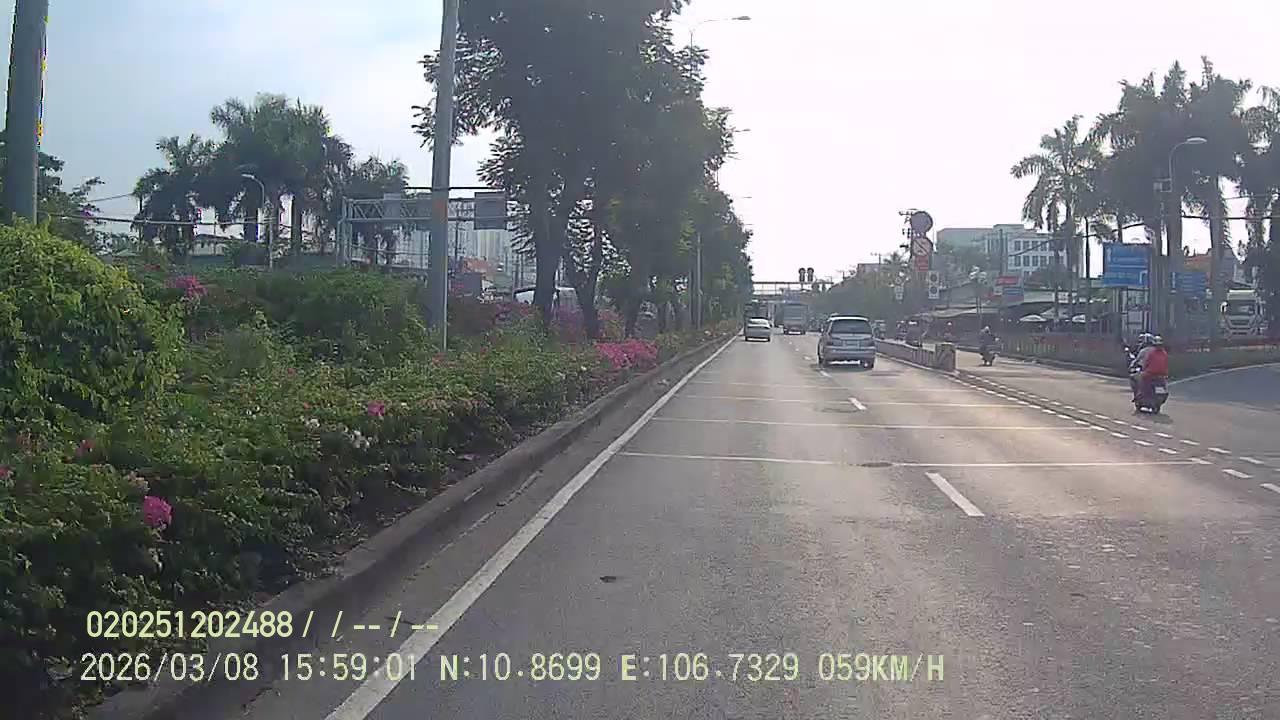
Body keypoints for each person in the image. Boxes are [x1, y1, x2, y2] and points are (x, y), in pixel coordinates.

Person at [1132, 335, 1169, 400]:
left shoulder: (1151, 353)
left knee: (1141, 379)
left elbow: (1146, 362)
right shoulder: (1164, 353)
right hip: (1162, 374)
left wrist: (1144, 368)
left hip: (1150, 373)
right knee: (1164, 381)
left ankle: (1140, 394)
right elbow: (1166, 364)